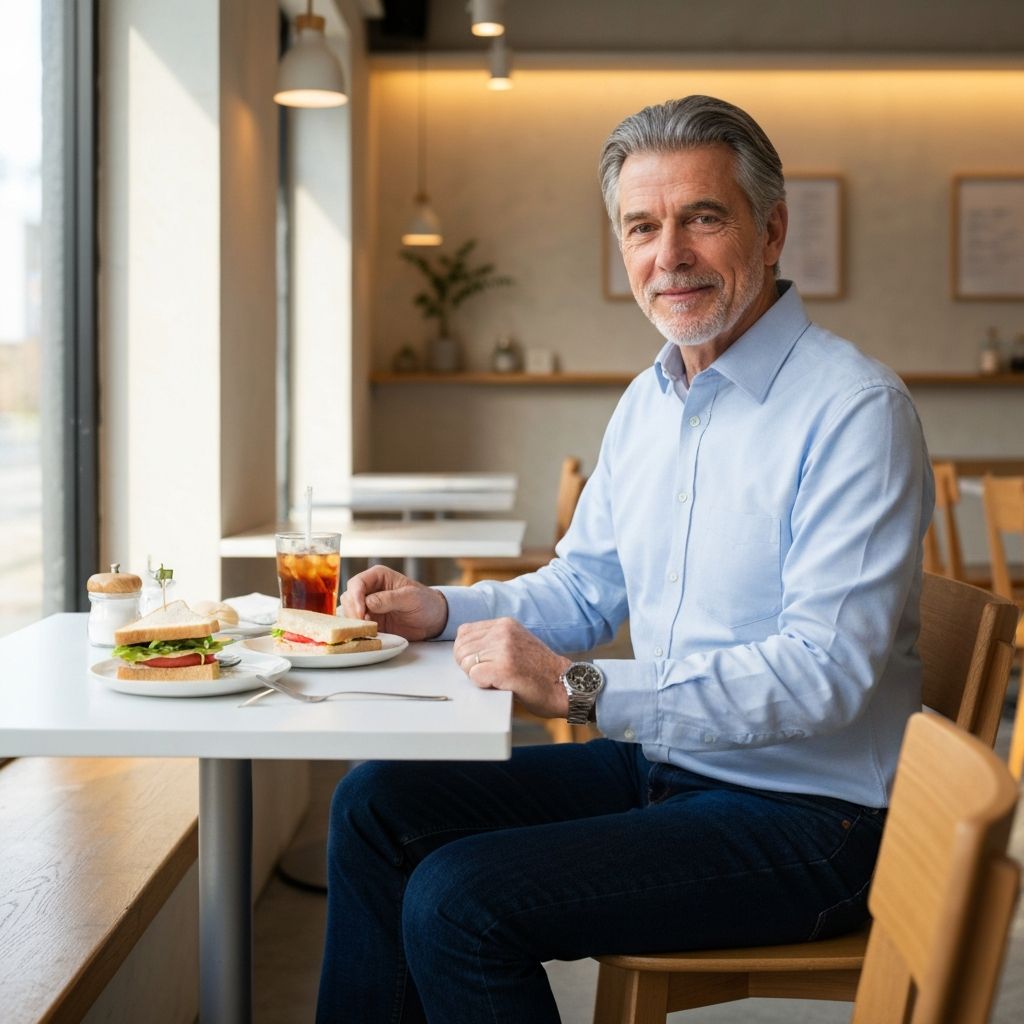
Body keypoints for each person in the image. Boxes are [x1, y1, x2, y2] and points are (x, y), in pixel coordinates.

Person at [316, 95, 933, 1024]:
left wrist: (582, 690)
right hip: (669, 768)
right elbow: (583, 585)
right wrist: (439, 609)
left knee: (460, 899)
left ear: (771, 231)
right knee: (375, 807)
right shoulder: (649, 403)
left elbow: (825, 676)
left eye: (702, 218)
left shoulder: (855, 412)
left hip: (816, 820)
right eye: (642, 226)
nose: (669, 254)